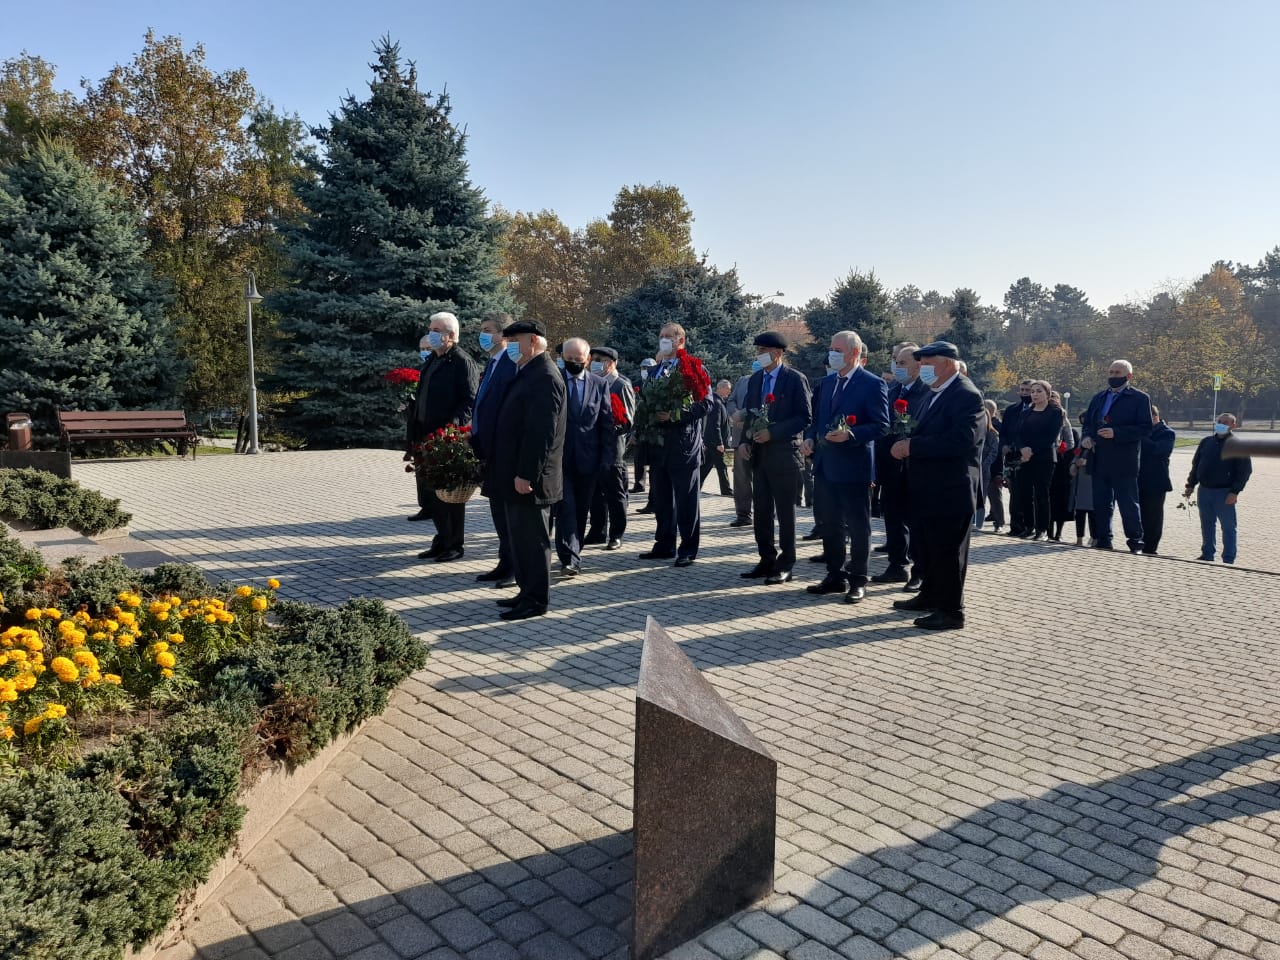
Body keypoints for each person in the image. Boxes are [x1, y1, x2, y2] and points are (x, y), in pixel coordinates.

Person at [888, 341, 984, 630]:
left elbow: (961, 441)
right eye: (922, 363)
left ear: (949, 365)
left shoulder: (965, 394)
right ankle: (929, 595)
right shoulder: (933, 393)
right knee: (928, 547)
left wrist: (912, 446)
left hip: (951, 488)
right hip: (927, 487)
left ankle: (952, 611)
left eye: (929, 363)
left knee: (948, 551)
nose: (923, 368)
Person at [802, 331, 889, 603]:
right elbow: (816, 419)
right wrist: (809, 438)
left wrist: (851, 434)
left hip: (854, 468)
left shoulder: (872, 384)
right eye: (831, 348)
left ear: (854, 353)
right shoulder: (826, 383)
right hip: (826, 465)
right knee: (830, 523)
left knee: (858, 525)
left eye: (837, 349)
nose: (832, 353)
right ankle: (835, 575)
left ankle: (858, 579)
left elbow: (882, 425)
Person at [491, 319, 567, 620]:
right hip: (515, 475)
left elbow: (541, 434)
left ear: (533, 341)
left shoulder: (545, 376)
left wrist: (526, 475)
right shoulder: (528, 371)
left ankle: (536, 600)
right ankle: (525, 591)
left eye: (514, 341)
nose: (509, 346)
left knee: (533, 543)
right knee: (520, 540)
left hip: (530, 480)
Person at [736, 331, 812, 585]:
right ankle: (766, 559)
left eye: (762, 351)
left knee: (785, 513)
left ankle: (786, 563)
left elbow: (804, 417)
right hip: (760, 455)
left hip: (784, 455)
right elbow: (749, 414)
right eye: (757, 351)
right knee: (762, 511)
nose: (759, 356)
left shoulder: (794, 379)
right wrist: (745, 442)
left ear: (778, 353)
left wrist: (773, 432)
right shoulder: (756, 379)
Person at [407, 311, 479, 563]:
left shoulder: (461, 361)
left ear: (450, 335)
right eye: (430, 328)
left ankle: (454, 544)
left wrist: (451, 430)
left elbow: (469, 401)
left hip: (446, 439)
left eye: (436, 330)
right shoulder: (433, 359)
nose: (431, 333)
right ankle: (441, 539)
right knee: (433, 496)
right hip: (425, 436)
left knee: (450, 496)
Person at [638, 322, 710, 567]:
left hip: (683, 446)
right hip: (658, 447)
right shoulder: (656, 370)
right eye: (661, 336)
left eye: (669, 336)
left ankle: (688, 549)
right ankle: (664, 544)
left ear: (681, 341)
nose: (664, 340)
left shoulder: (692, 368)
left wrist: (677, 414)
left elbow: (706, 404)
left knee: (686, 500)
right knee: (662, 498)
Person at [1081, 360, 1153, 552]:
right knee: (1101, 503)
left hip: (1124, 460)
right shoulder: (1099, 397)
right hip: (1099, 458)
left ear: (1128, 376)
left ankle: (1135, 541)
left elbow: (1145, 428)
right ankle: (1104, 539)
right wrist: (1086, 437)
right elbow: (1088, 423)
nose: (1113, 376)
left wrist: (1117, 433)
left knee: (1128, 503)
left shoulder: (1139, 398)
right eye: (1111, 372)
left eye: (1117, 372)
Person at [555, 338, 612, 577]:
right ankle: (570, 558)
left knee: (580, 510)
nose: (574, 364)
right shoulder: (555, 381)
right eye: (569, 360)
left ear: (587, 359)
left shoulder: (599, 384)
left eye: (578, 360)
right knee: (565, 508)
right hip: (560, 459)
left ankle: (572, 551)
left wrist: (608, 458)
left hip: (589, 459)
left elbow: (606, 423)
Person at [470, 312, 519, 586]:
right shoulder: (492, 362)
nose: (483, 335)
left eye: (488, 329)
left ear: (503, 334)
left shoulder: (510, 364)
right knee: (498, 512)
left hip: (504, 452)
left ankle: (515, 566)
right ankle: (504, 561)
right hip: (489, 450)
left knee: (510, 515)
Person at [872, 343, 927, 589]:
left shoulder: (927, 392)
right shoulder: (892, 389)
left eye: (902, 363)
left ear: (918, 366)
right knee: (892, 517)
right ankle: (896, 565)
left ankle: (920, 569)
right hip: (890, 467)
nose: (897, 366)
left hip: (914, 468)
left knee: (915, 520)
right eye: (895, 361)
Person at [1185, 414, 1252, 564]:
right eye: (1219, 422)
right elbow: (1196, 465)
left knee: (1228, 526)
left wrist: (1235, 491)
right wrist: (1190, 484)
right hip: (1204, 491)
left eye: (1226, 423)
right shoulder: (1206, 442)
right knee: (1207, 524)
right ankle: (1207, 554)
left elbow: (1244, 471)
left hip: (1225, 492)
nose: (1221, 424)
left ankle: (1228, 558)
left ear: (1233, 425)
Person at [584, 347, 633, 550]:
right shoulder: (591, 382)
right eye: (593, 359)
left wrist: (609, 426)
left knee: (615, 494)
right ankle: (597, 531)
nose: (595, 363)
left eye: (600, 360)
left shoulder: (620, 385)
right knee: (595, 494)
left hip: (612, 450)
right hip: (592, 448)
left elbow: (628, 421)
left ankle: (616, 534)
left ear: (612, 363)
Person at [1011, 381, 1066, 542]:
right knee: (1025, 493)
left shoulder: (1055, 412)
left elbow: (1050, 437)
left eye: (1038, 391)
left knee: (1041, 493)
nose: (1034, 394)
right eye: (1033, 392)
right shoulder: (1026, 412)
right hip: (1025, 457)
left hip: (1044, 458)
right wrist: (1022, 449)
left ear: (1047, 393)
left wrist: (1031, 451)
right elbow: (1017, 434)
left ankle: (1042, 529)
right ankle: (1029, 526)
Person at [1137, 404, 1176, 555]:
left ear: (1155, 417)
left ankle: (1151, 547)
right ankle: (1139, 542)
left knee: (1153, 516)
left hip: (1156, 481)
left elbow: (1159, 450)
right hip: (1138, 479)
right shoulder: (1144, 432)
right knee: (1140, 514)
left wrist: (1142, 436)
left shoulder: (1167, 433)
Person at [999, 381, 1035, 536]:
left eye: (1029, 390)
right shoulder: (1012, 410)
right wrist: (1004, 445)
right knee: (1014, 493)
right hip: (1012, 457)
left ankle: (1030, 526)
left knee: (1029, 494)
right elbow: (1004, 431)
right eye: (1023, 390)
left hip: (1030, 457)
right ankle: (1015, 526)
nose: (1025, 393)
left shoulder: (1040, 410)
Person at [406, 333, 435, 522]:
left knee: (432, 469)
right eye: (422, 349)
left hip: (433, 425)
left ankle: (435, 506)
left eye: (428, 349)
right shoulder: (421, 368)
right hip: (418, 426)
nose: (424, 352)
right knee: (421, 469)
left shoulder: (437, 368)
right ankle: (424, 505)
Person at [725, 371, 754, 527]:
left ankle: (768, 511)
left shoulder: (770, 380)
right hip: (738, 435)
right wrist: (734, 414)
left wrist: (742, 416)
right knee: (741, 479)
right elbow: (731, 400)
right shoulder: (742, 380)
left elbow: (763, 401)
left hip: (759, 435)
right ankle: (743, 514)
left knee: (763, 478)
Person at [700, 380, 733, 496]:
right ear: (721, 388)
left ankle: (695, 485)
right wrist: (720, 443)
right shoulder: (717, 402)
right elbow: (715, 424)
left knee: (705, 467)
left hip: (711, 442)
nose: (729, 391)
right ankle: (726, 490)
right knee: (721, 466)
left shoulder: (718, 401)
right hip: (715, 443)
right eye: (728, 389)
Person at [631, 358, 658, 495]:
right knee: (638, 457)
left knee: (654, 459)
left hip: (654, 427)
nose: (645, 371)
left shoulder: (658, 384)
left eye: (648, 369)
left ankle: (654, 489)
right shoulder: (635, 385)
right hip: (639, 425)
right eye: (643, 368)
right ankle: (639, 483)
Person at [977, 399, 1003, 532]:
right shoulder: (976, 431)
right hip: (977, 468)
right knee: (978, 496)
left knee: (993, 497)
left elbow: (994, 451)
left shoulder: (993, 432)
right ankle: (977, 522)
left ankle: (999, 522)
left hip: (989, 469)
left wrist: (985, 464)